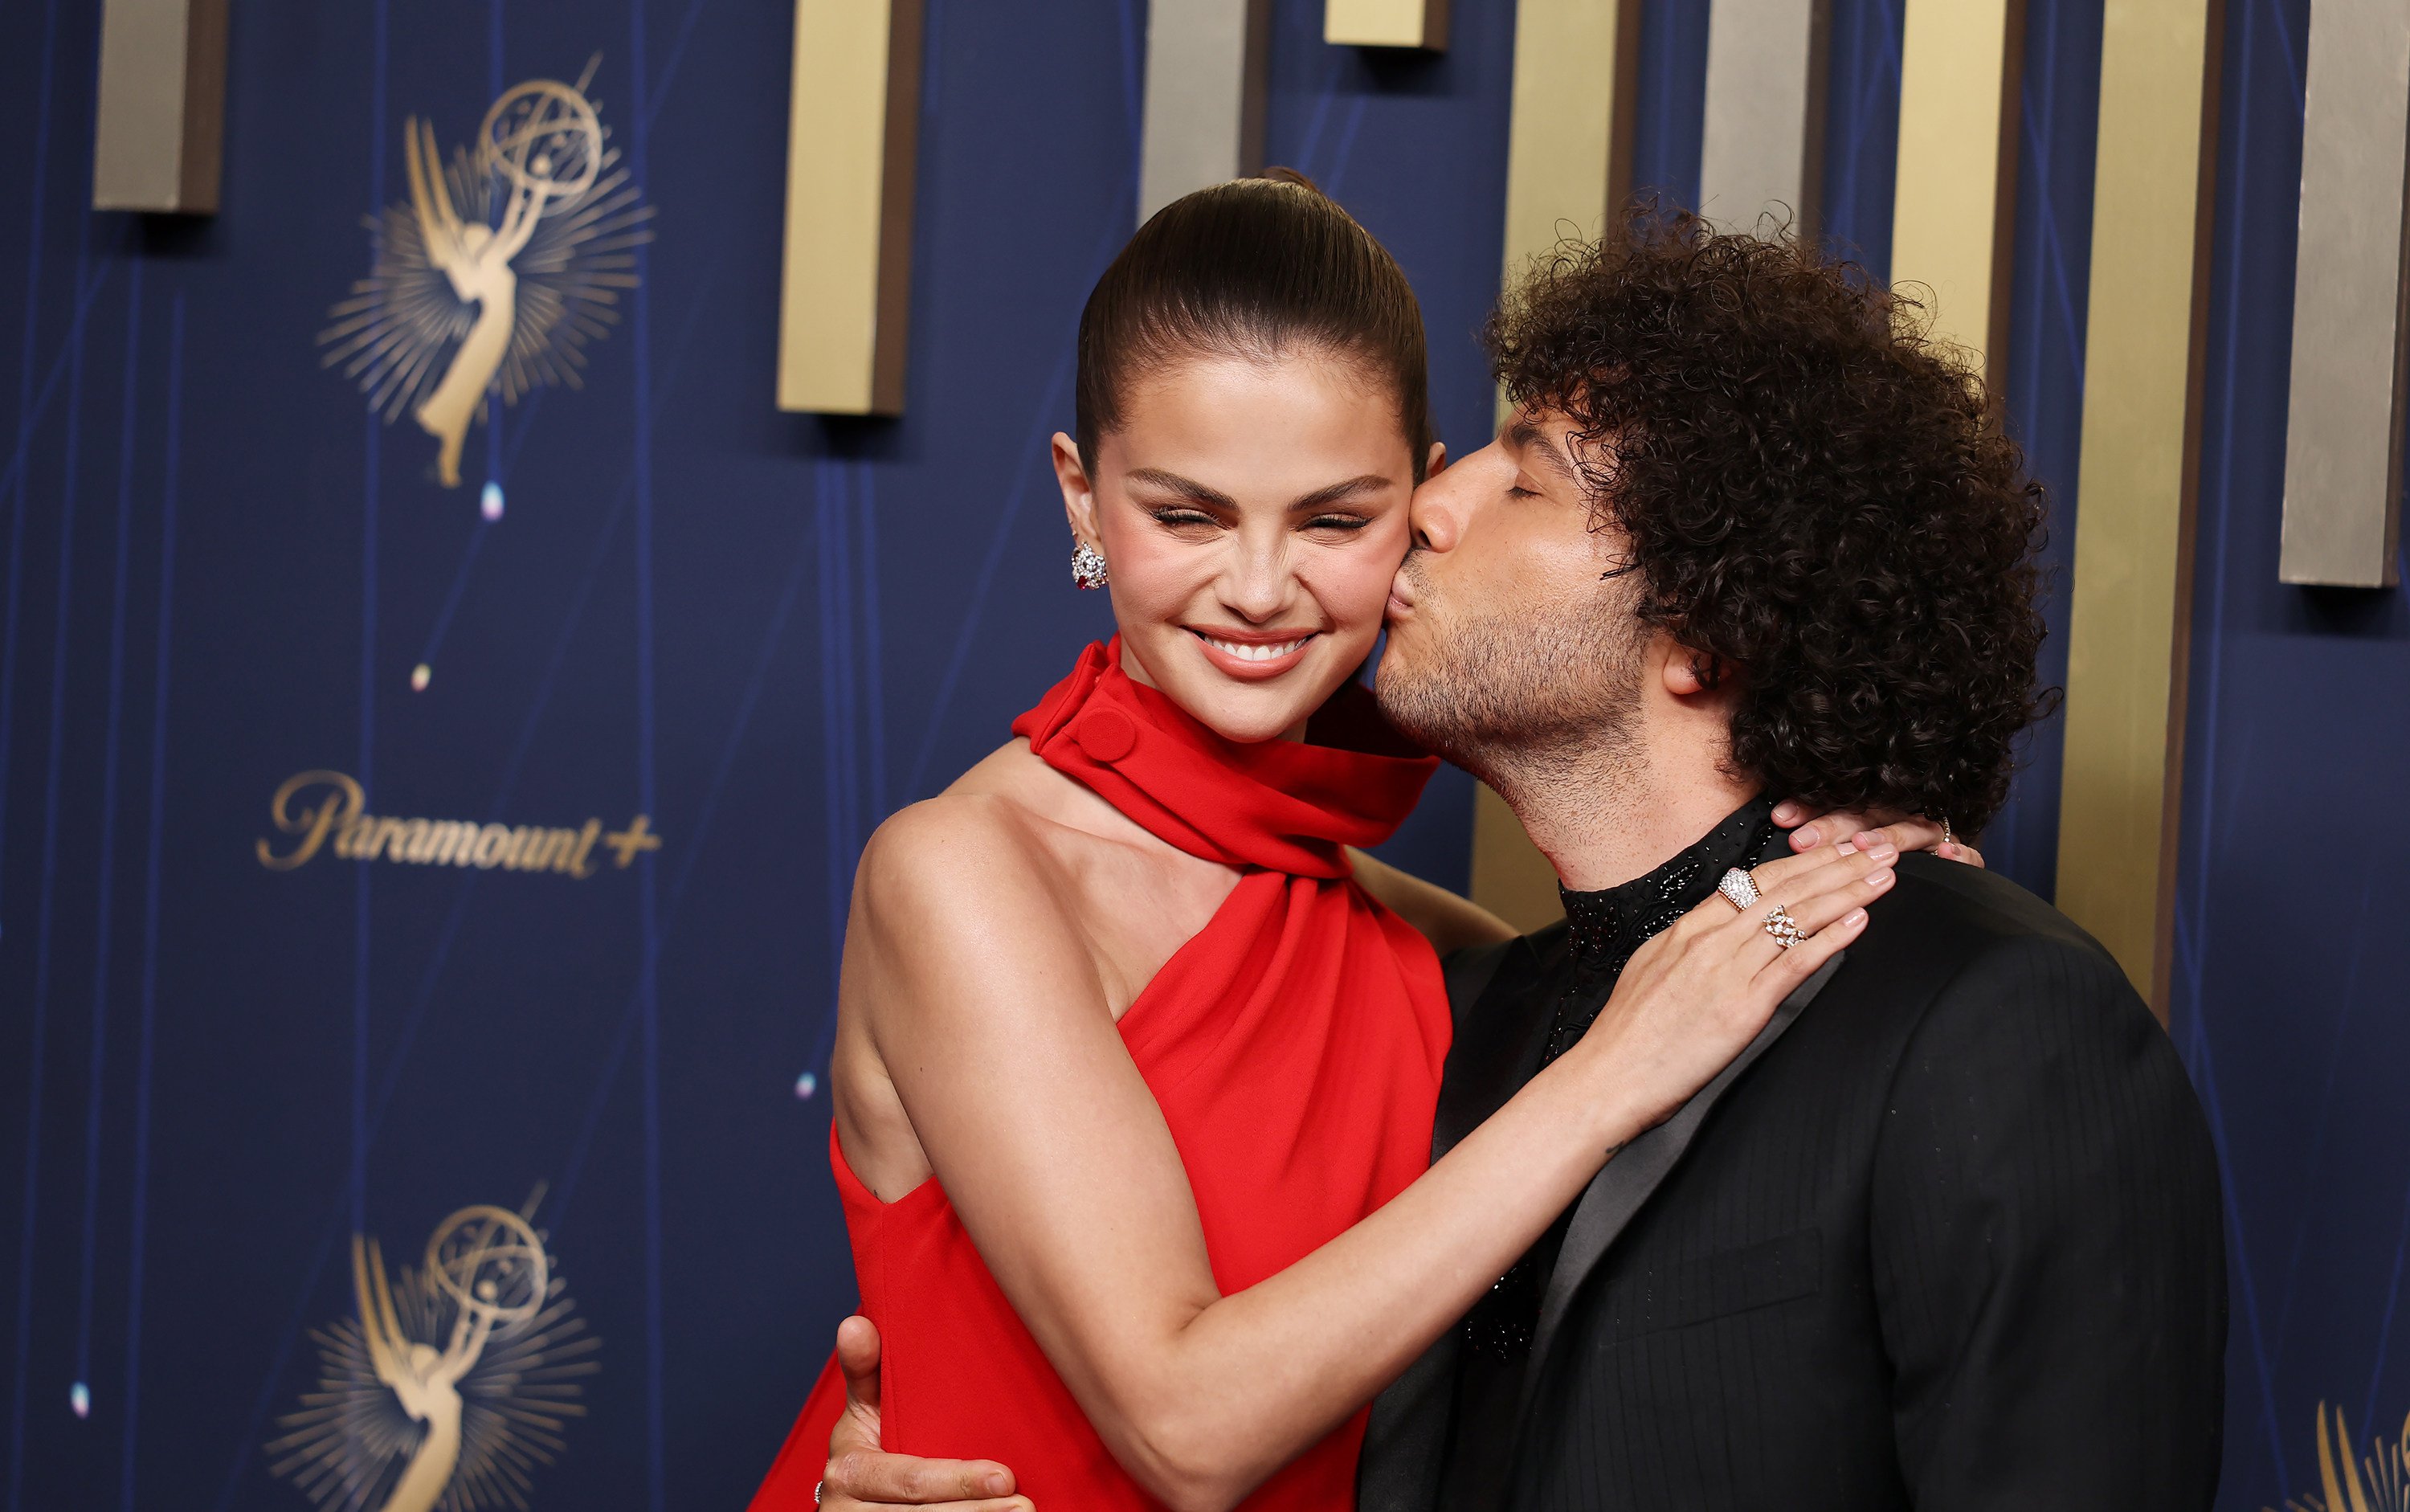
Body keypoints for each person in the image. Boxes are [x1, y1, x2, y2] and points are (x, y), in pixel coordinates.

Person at [809, 209, 2228, 1510]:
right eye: (1187, 512)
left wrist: (1892, 867)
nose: (1427, 513)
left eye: (1522, 485)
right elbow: (1203, 1414)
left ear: (1711, 624)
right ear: (1084, 494)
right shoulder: (1492, 1008)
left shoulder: (1979, 1016)